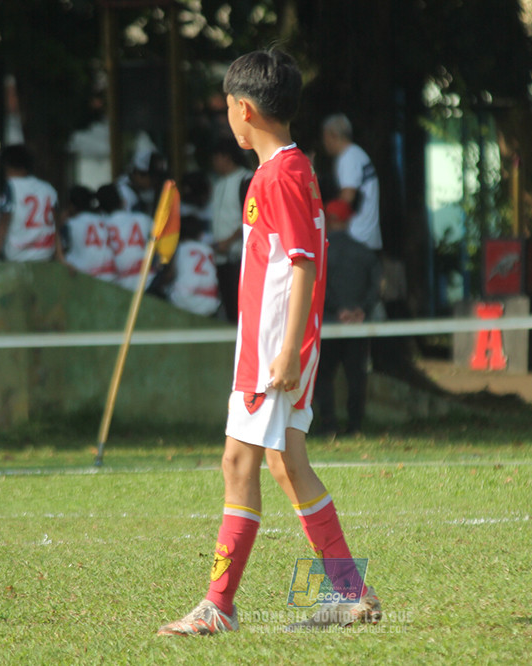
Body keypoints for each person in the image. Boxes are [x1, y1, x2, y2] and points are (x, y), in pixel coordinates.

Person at [156, 48, 382, 637]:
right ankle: (352, 594)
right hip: (276, 345)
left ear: (244, 109)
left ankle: (218, 606)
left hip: (272, 350)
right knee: (284, 463)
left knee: (240, 462)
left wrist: (284, 352)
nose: (228, 117)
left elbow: (302, 263)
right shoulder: (295, 167)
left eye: (228, 107)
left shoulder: (278, 174)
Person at [314, 199, 381, 437]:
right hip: (358, 325)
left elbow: (318, 286)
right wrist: (361, 309)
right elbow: (376, 287)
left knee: (322, 375)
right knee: (356, 376)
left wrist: (338, 310)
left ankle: (329, 423)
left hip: (330, 324)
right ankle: (355, 426)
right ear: (348, 220)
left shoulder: (321, 253)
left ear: (329, 220)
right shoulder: (365, 253)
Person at [0, 144, 58, 270]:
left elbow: (4, 222)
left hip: (18, 254)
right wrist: (60, 256)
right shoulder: (49, 189)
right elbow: (55, 225)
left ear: (7, 166)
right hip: (44, 253)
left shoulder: (12, 185)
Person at [321, 112, 382, 252]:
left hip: (357, 237)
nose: (324, 143)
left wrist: (322, 214)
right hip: (366, 236)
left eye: (325, 137)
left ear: (333, 135)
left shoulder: (349, 157)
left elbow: (347, 199)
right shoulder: (355, 154)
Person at [208, 136, 252, 322]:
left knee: (242, 308)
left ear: (226, 157)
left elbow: (252, 218)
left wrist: (229, 241)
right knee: (229, 309)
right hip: (221, 259)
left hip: (239, 257)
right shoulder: (218, 184)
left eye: (216, 157)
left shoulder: (246, 180)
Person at [97, 183, 155, 292]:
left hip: (121, 287)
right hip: (149, 283)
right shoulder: (143, 219)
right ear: (122, 201)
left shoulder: (101, 226)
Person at [163, 214, 220, 317]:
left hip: (184, 300)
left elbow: (170, 274)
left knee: (168, 288)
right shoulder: (209, 250)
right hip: (210, 303)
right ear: (200, 234)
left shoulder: (181, 247)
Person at [60, 185, 115, 281]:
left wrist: (60, 223)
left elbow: (58, 252)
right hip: (110, 276)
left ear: (71, 205)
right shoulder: (106, 221)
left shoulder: (71, 224)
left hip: (84, 278)